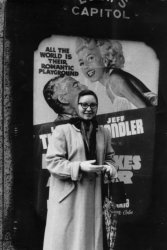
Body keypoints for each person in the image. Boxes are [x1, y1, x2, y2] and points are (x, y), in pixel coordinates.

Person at [43, 89, 117, 250]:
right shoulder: (62, 131)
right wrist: (80, 167)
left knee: (88, 241)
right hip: (70, 196)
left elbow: (110, 158)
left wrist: (110, 167)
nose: (88, 109)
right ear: (76, 106)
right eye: (84, 105)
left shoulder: (104, 132)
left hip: (94, 196)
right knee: (67, 242)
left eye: (93, 105)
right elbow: (53, 163)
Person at [33, 75, 87, 248]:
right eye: (76, 85)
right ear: (63, 99)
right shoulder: (47, 131)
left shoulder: (95, 127)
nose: (84, 85)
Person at [75, 37, 157, 113]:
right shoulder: (109, 87)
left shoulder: (115, 80)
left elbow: (148, 112)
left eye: (90, 58)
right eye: (81, 63)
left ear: (105, 57)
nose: (85, 66)